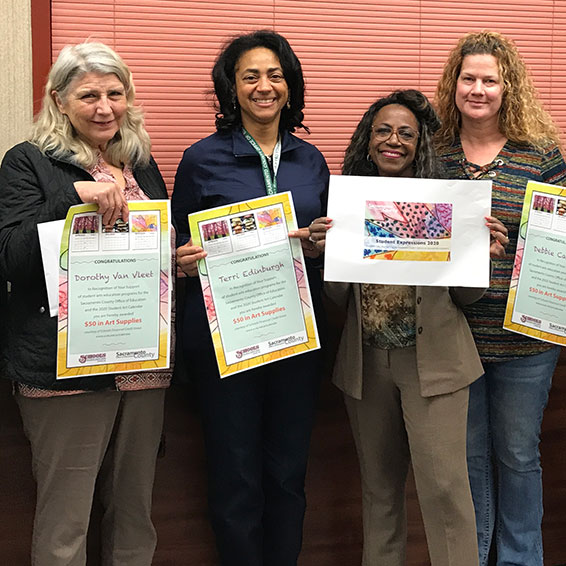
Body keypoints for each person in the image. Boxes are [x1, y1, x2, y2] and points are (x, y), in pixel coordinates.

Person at [307, 89, 505, 566]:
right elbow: (337, 302)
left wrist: (478, 257)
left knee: (445, 493)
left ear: (420, 144)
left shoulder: (447, 201)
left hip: (435, 368)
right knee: (379, 494)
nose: (393, 140)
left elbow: (465, 298)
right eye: (382, 130)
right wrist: (325, 255)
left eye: (405, 133)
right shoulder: (348, 203)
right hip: (366, 366)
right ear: (367, 139)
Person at [0, 42, 172, 566]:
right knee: (65, 523)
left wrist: (180, 261)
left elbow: (153, 249)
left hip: (144, 368)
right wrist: (73, 196)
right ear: (59, 100)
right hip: (65, 373)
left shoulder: (140, 163)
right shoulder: (28, 162)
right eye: (89, 94)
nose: (105, 107)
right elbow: (14, 259)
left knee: (134, 516)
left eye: (115, 94)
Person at [171, 30, 329, 566]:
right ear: (231, 89)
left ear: (290, 86)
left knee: (287, 474)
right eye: (251, 76)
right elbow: (176, 248)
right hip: (224, 343)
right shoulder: (201, 159)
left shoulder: (312, 161)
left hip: (294, 340)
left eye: (276, 75)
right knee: (235, 476)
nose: (265, 87)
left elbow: (324, 249)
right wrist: (183, 258)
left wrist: (323, 245)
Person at [435, 31, 566, 566]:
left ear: (508, 88)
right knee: (466, 459)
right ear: (454, 84)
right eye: (469, 78)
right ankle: (474, 557)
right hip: (450, 335)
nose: (479, 89)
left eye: (490, 80)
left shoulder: (541, 158)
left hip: (525, 339)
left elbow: (559, 247)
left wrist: (510, 248)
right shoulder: (434, 153)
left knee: (516, 456)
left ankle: (520, 559)